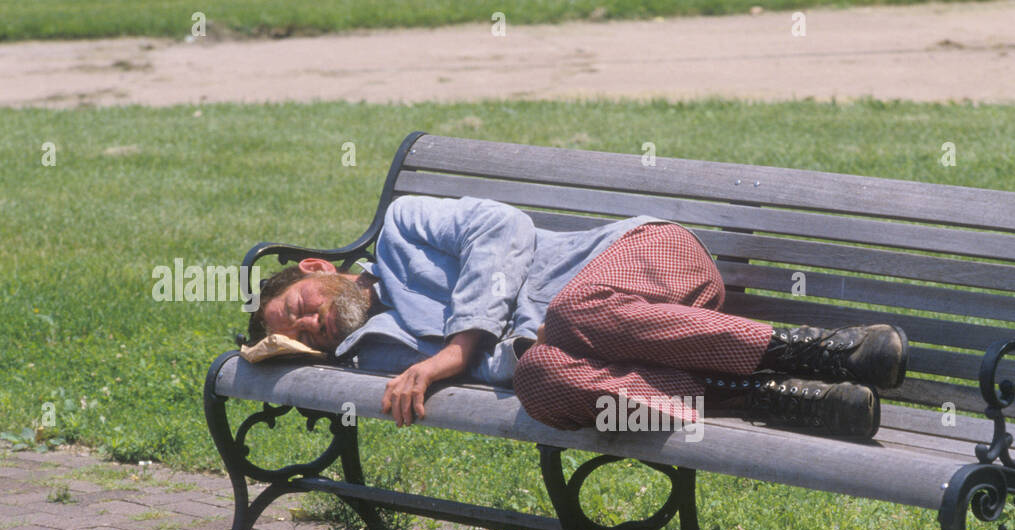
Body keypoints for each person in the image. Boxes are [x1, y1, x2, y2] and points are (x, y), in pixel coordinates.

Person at [249, 194, 908, 440]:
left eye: (299, 309)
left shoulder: (402, 229)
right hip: (633, 358)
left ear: (315, 269)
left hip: (649, 263)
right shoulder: (377, 355)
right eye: (301, 336)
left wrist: (456, 349)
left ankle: (807, 352)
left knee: (572, 311)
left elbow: (502, 226)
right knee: (539, 382)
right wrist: (274, 352)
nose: (313, 326)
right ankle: (765, 397)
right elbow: (513, 368)